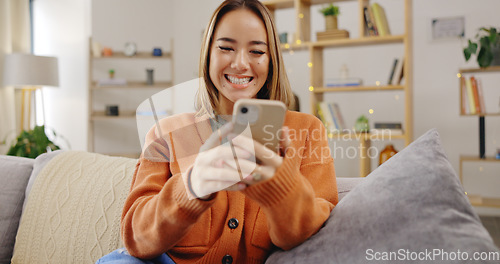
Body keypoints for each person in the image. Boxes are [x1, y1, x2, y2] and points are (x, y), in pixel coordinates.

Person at [96, 0, 337, 263]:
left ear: (271, 61)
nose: (240, 63)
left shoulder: (307, 130)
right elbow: (136, 238)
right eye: (226, 48)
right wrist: (191, 186)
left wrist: (281, 189)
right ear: (208, 54)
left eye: (257, 52)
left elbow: (310, 232)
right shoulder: (165, 133)